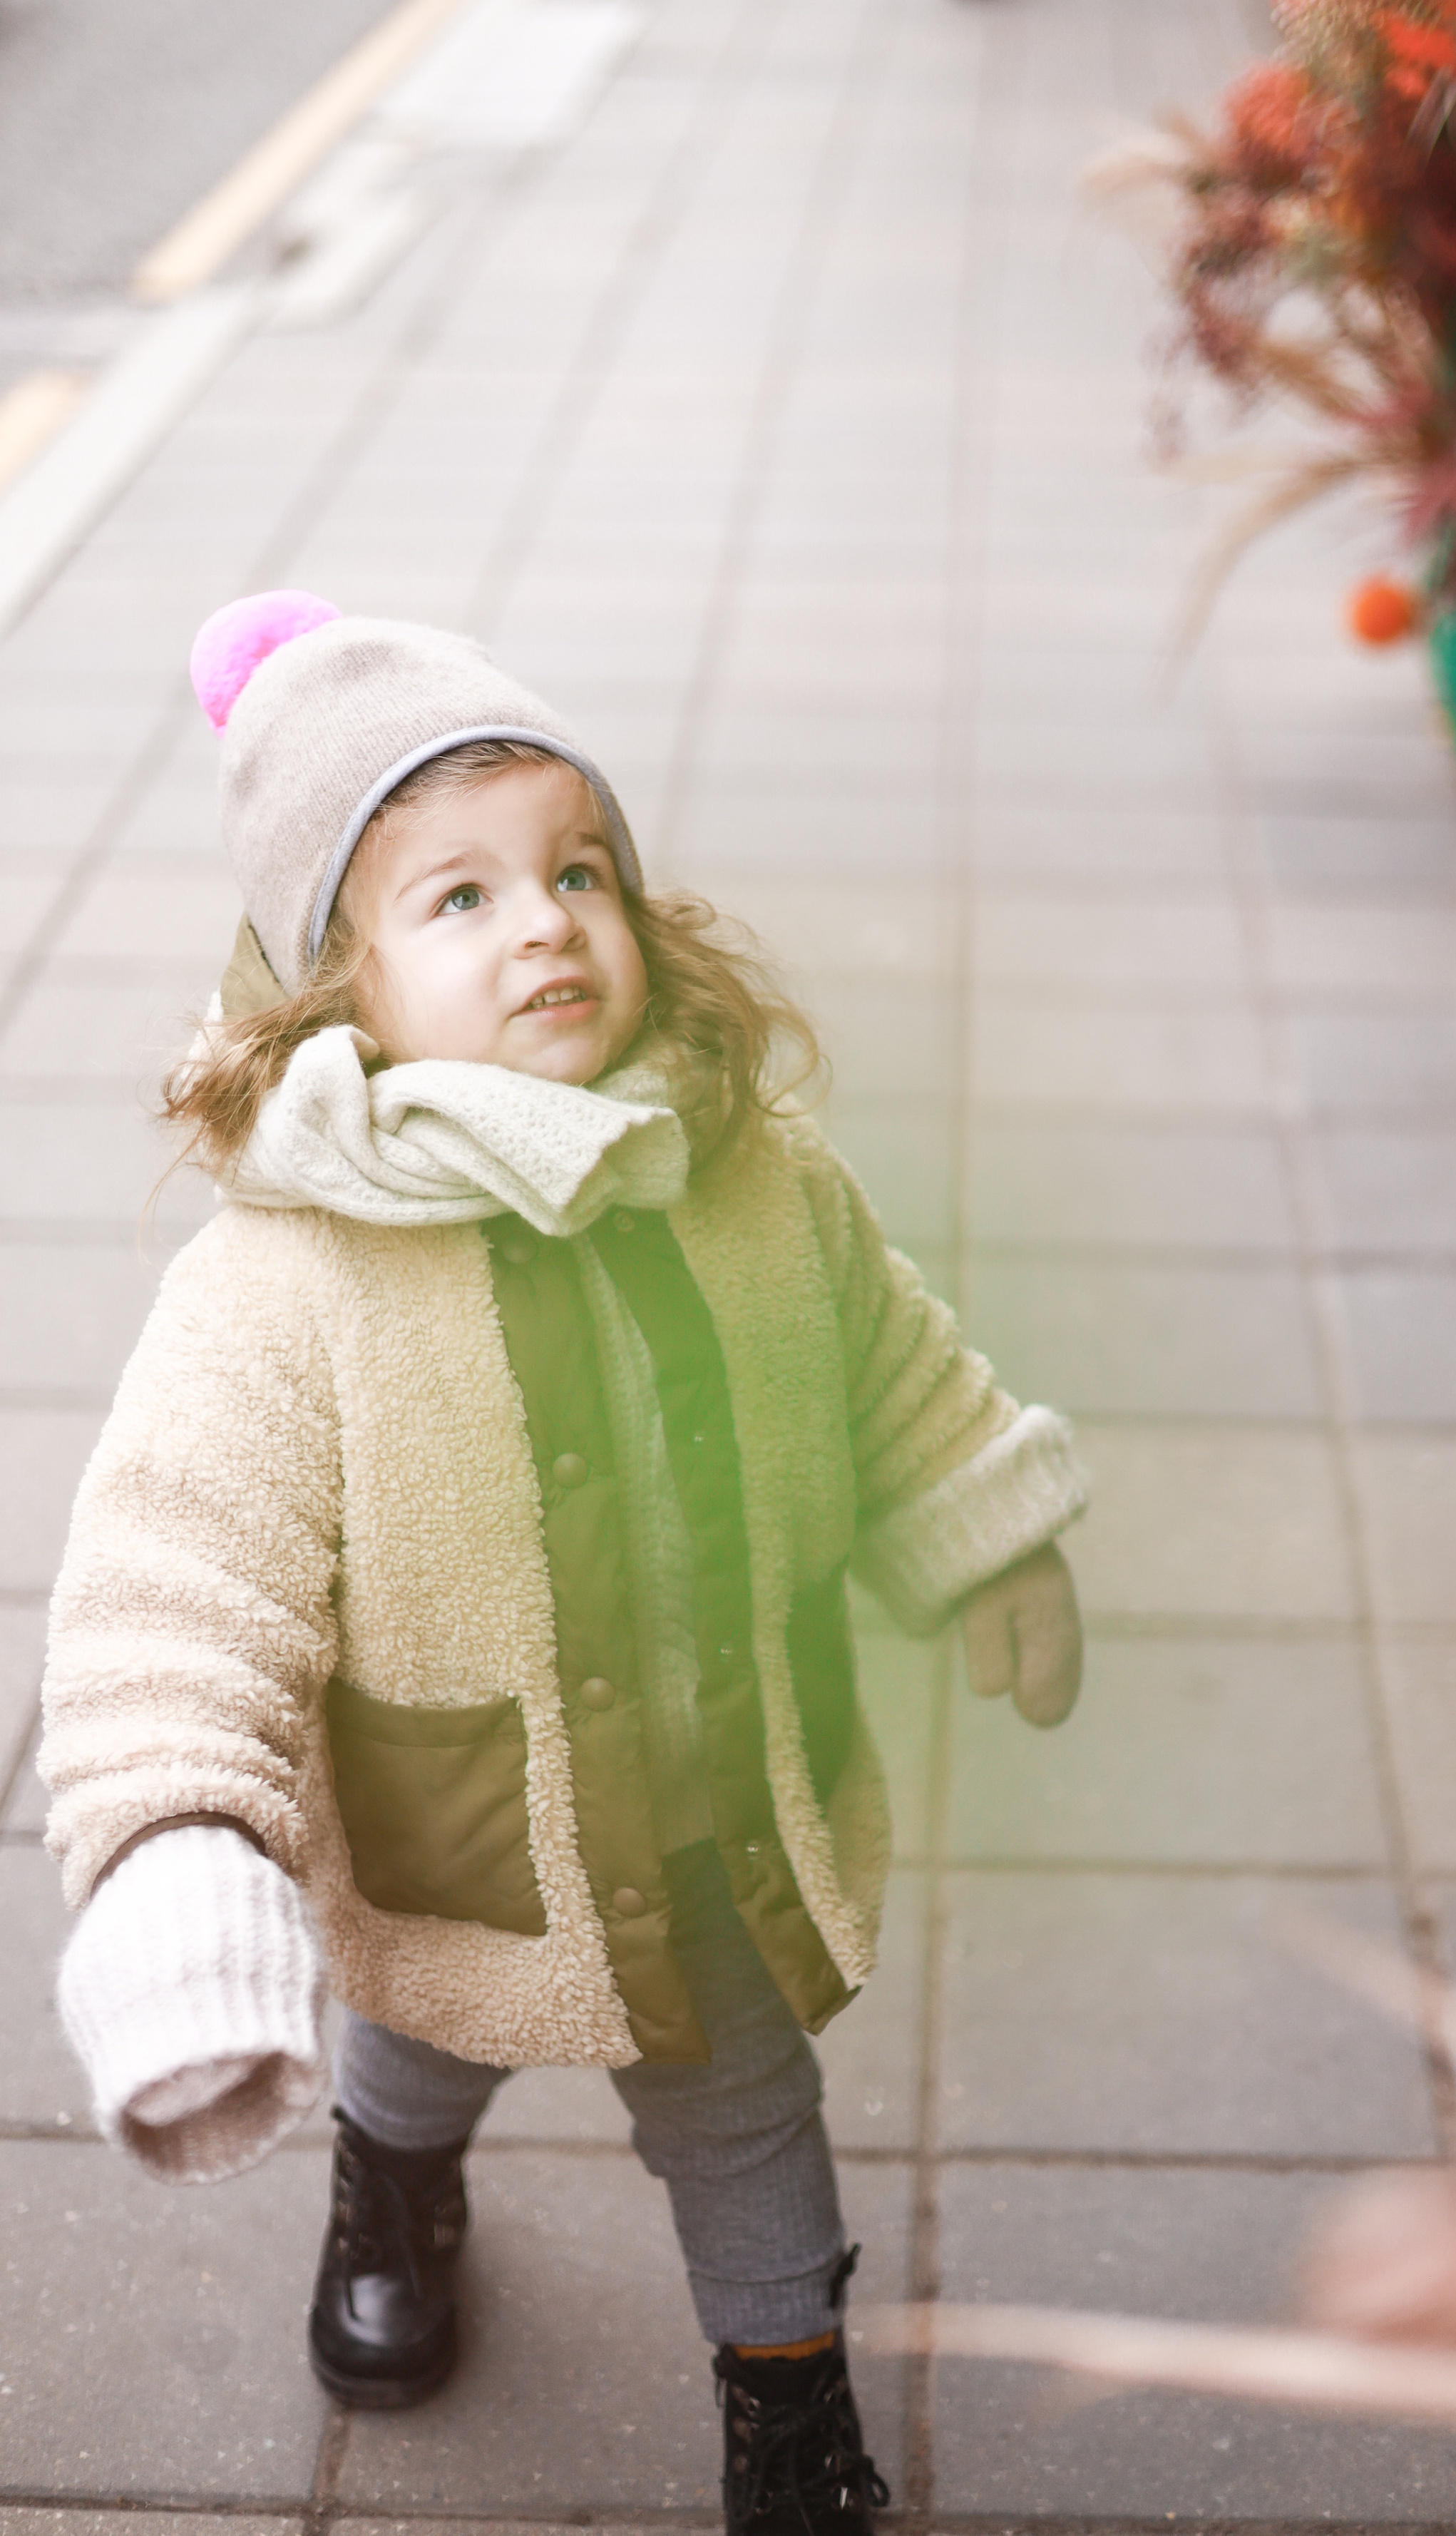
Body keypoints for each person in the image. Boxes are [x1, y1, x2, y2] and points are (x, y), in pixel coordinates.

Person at [38, 592, 1088, 2535]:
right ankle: (393, 2182)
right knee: (425, 2040)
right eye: (460, 898)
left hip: (711, 1810)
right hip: (467, 1829)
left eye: (578, 867)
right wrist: (181, 1837)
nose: (545, 924)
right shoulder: (286, 1287)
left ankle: (791, 2419)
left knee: (756, 2127)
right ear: (333, 992)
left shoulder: (746, 1169)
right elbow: (177, 1580)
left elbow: (883, 1355)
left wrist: (985, 1522)